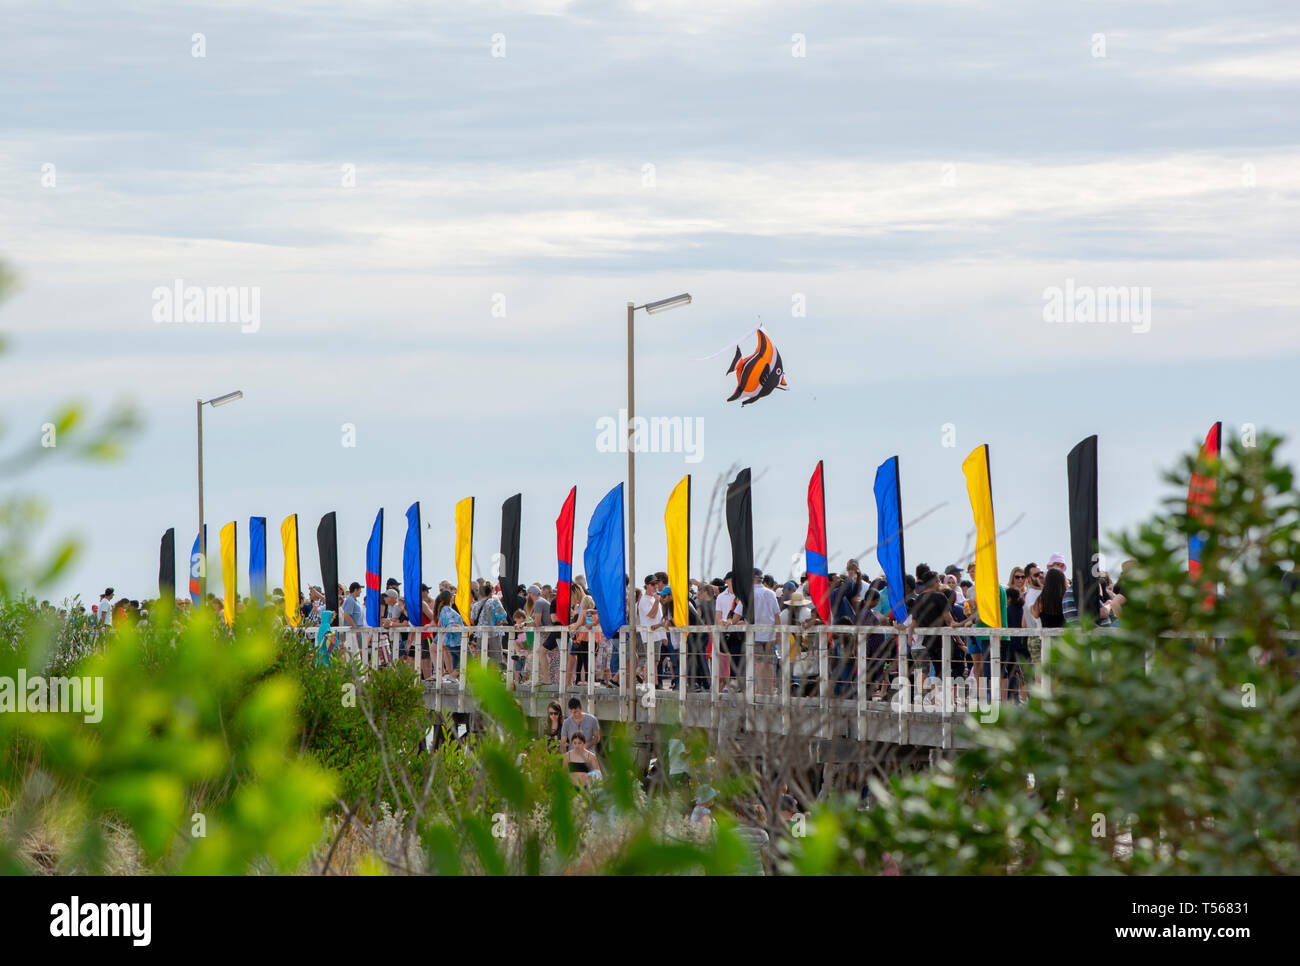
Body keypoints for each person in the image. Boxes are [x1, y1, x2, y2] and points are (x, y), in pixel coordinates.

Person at [751, 567, 781, 695]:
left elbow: (738, 613)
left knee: (759, 663)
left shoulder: (749, 593)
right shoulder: (771, 593)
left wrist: (731, 621)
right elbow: (776, 616)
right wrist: (778, 635)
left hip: (756, 634)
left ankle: (760, 689)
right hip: (770, 634)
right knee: (769, 664)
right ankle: (770, 689)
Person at [436, 589, 465, 679]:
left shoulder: (443, 610)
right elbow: (450, 623)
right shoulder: (447, 609)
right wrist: (456, 625)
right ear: (450, 598)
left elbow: (439, 624)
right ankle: (452, 676)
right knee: (467, 660)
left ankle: (456, 679)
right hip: (455, 640)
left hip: (451, 640)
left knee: (456, 661)